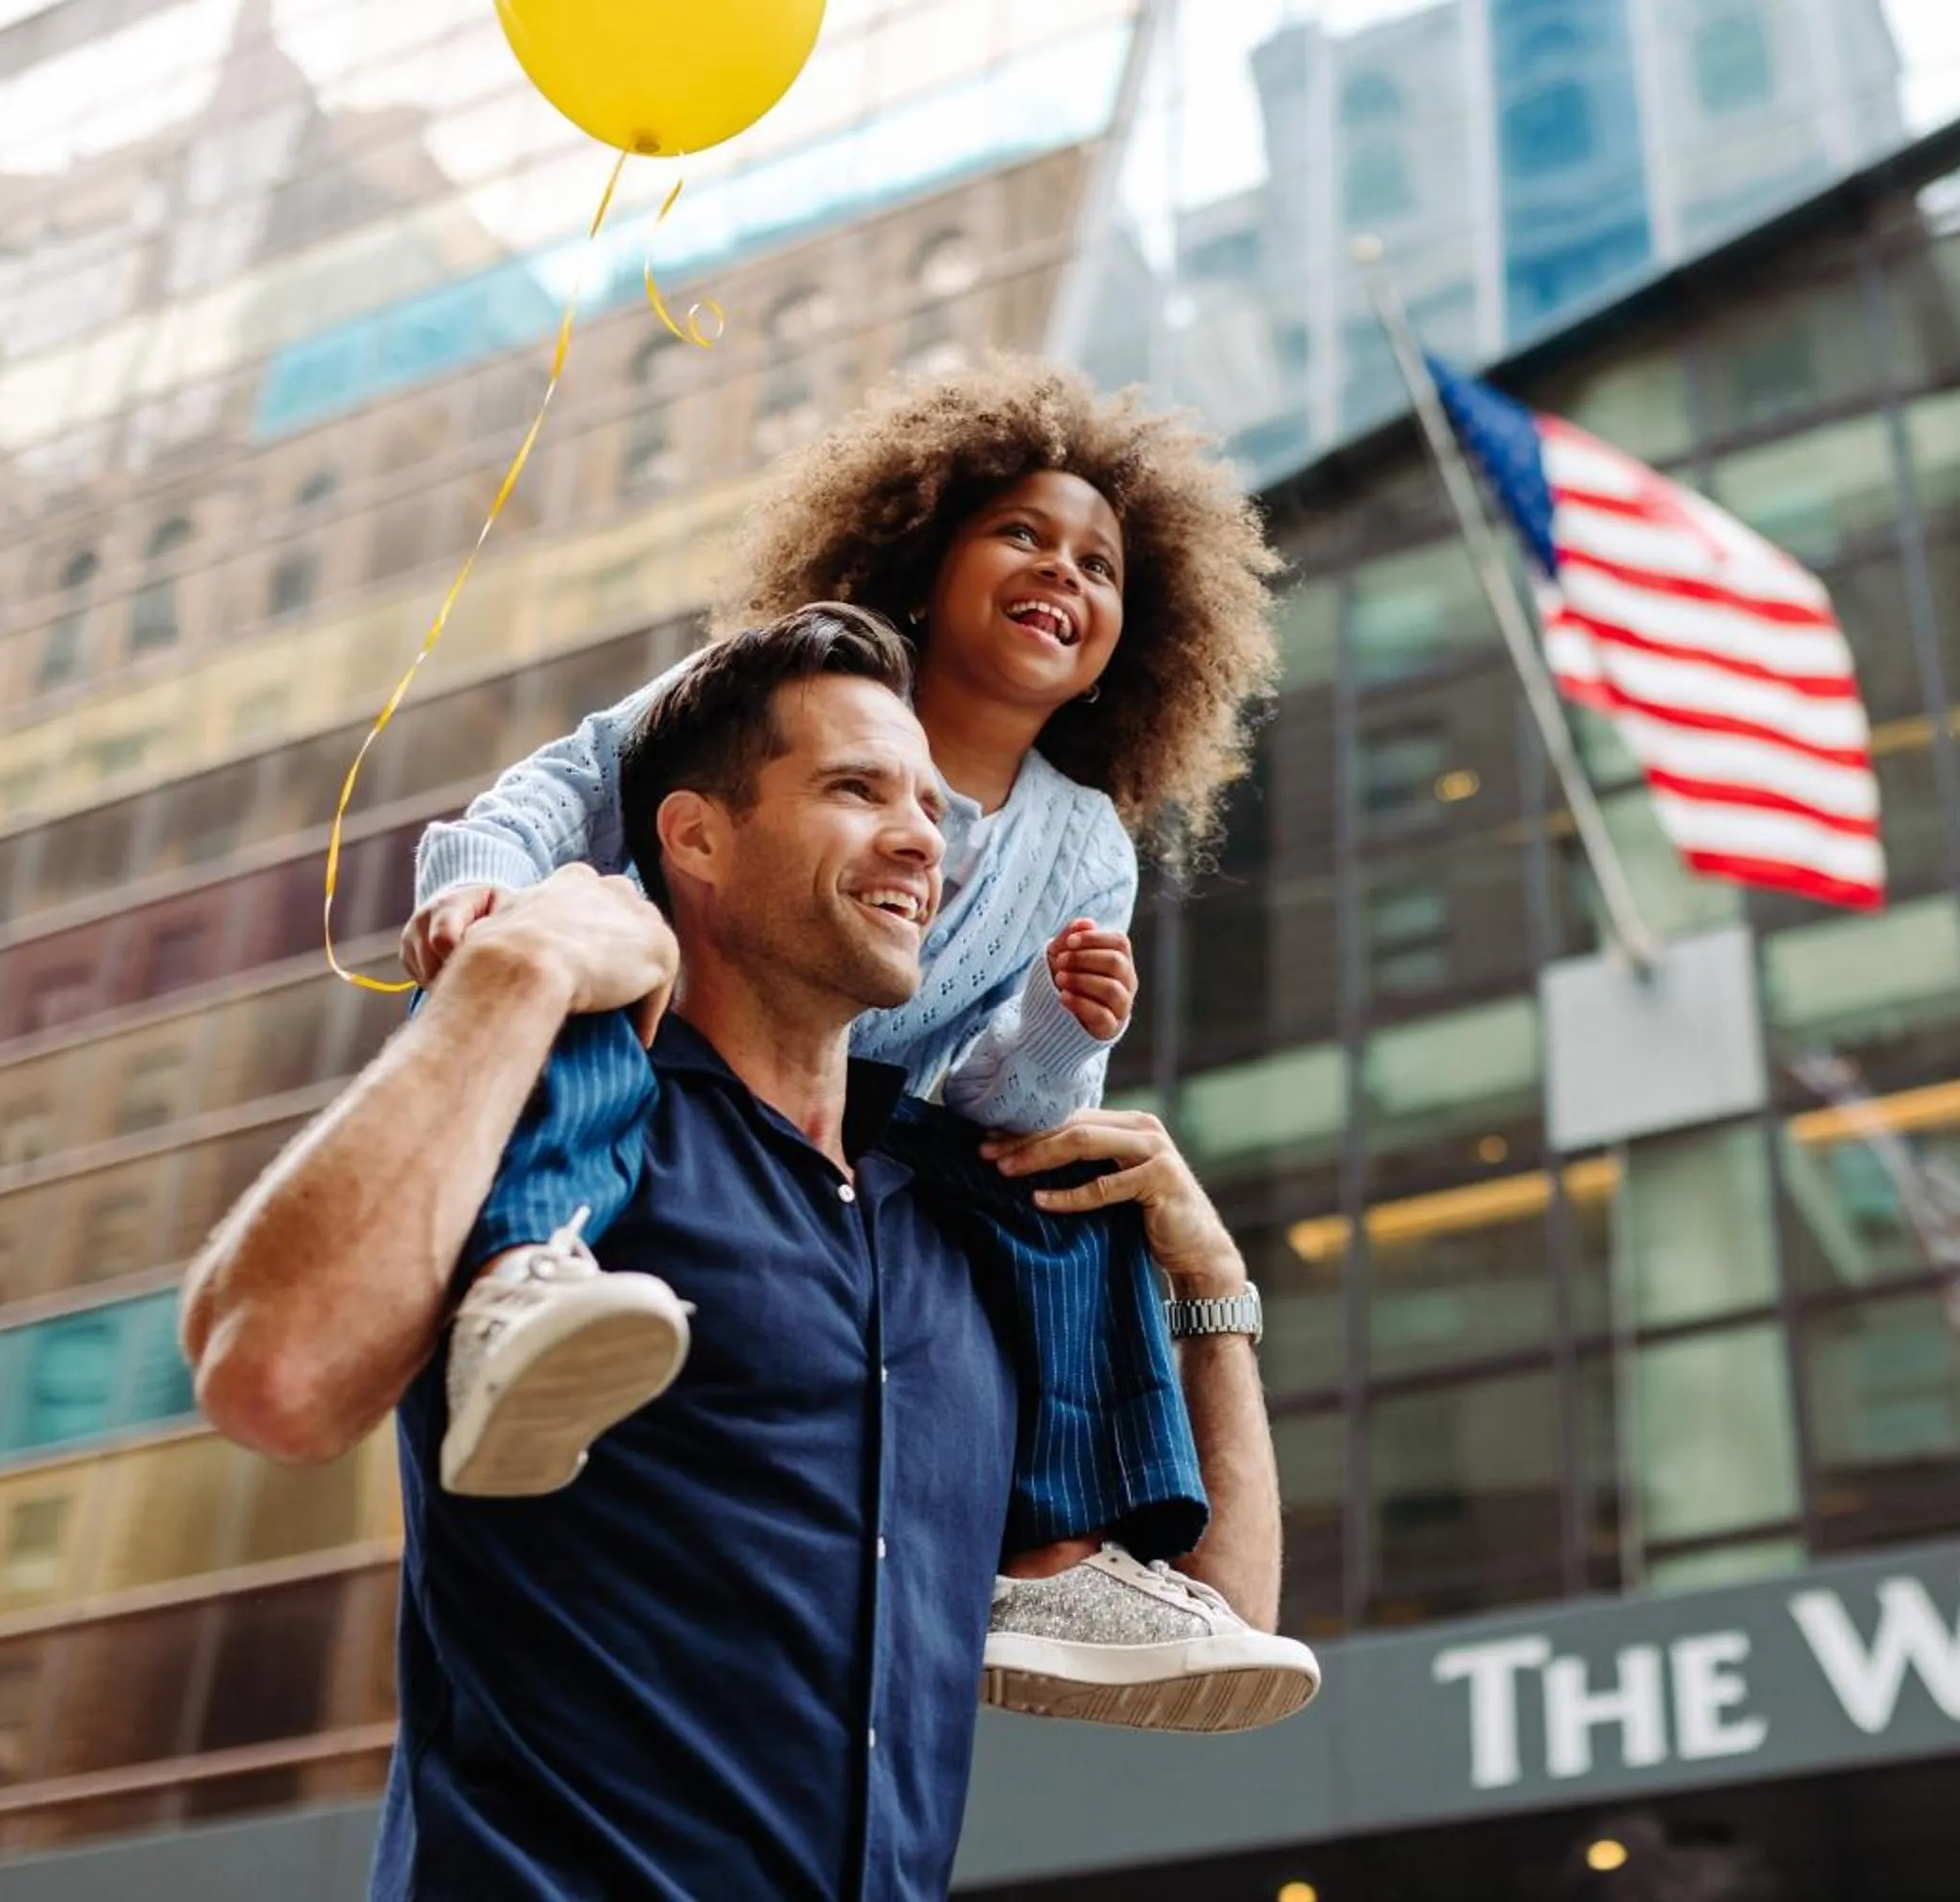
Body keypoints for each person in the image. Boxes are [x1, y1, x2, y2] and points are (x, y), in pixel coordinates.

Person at [181, 610, 1297, 1899]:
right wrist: (516, 971)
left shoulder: (961, 1215)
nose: (921, 837)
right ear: (695, 835)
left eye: (931, 807)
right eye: (855, 789)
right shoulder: (570, 1123)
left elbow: (1228, 1618)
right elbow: (272, 1372)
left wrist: (1211, 1291)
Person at [393, 358, 1292, 1730]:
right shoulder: (786, 682)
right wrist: (483, 894)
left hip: (862, 1106)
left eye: (1101, 563)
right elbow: (575, 785)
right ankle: (532, 1281)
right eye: (1022, 534)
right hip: (664, 1006)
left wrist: (1063, 1023)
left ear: (1137, 629)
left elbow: (1006, 1102)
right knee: (595, 956)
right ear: (925, 561)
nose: (1064, 572)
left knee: (1080, 1169)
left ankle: (1052, 1561)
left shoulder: (1084, 841)